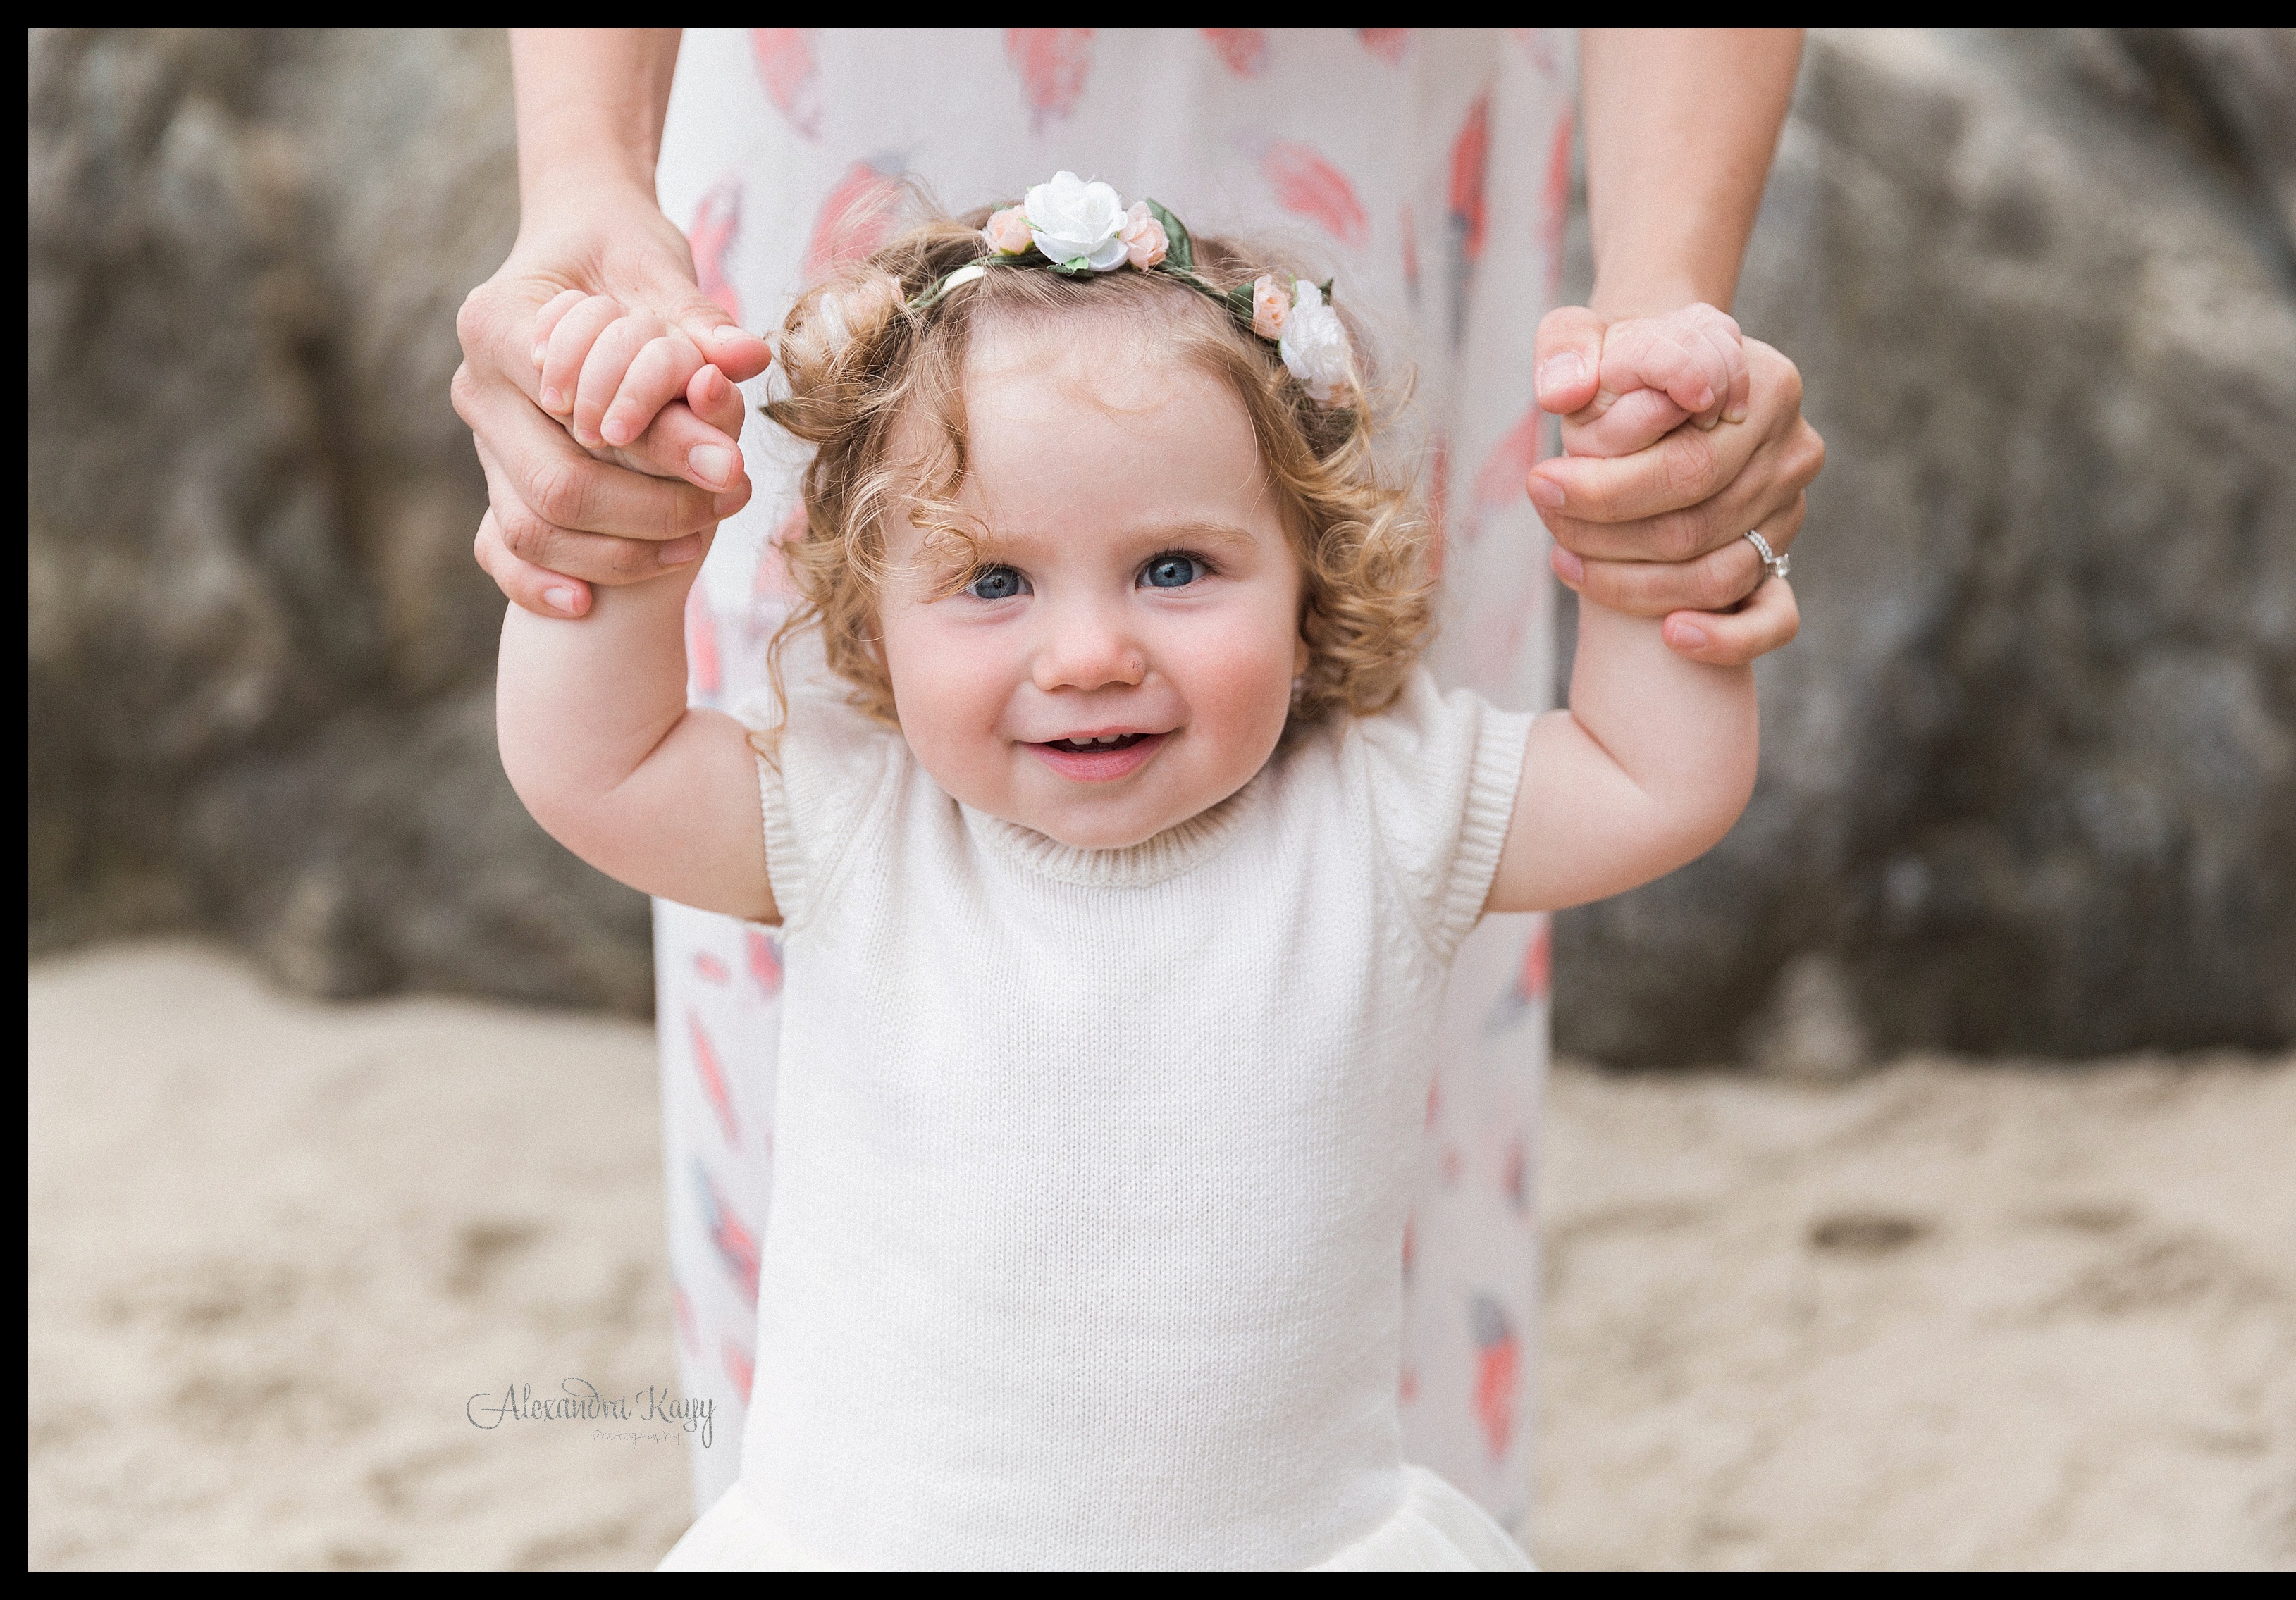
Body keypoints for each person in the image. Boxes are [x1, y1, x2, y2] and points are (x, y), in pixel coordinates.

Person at [452, 29, 1820, 1531]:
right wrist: (626, 522)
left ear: (1312, 572)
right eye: (994, 581)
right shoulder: (854, 819)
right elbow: (595, 762)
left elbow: (1652, 775)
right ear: (865, 607)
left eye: (1176, 566)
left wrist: (1660, 517)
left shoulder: (1378, 813)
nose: (1091, 651)